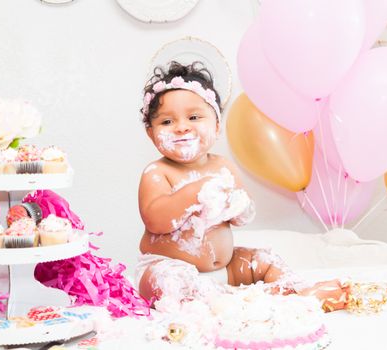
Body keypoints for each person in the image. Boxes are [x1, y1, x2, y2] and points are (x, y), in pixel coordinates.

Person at [136, 61, 348, 311]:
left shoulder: (223, 167)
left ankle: (293, 291)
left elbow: (242, 215)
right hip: (169, 267)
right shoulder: (157, 173)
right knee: (168, 282)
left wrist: (238, 207)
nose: (182, 126)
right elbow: (156, 221)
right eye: (167, 122)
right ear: (151, 133)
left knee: (264, 259)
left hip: (225, 269)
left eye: (194, 117)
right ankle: (234, 303)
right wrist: (195, 192)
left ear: (216, 127)